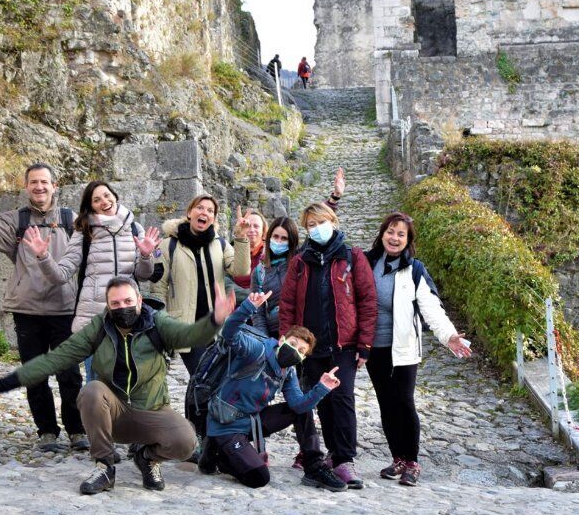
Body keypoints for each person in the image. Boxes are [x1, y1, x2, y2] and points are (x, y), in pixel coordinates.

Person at [0, 276, 236, 494]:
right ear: (107, 306)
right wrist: (1, 385)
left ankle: (147, 458)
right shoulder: (99, 328)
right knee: (91, 391)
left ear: (140, 300)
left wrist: (215, 320)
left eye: (128, 301)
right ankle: (104, 466)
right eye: (115, 303)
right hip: (112, 413)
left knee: (185, 442)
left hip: (151, 410)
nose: (122, 307)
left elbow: (187, 335)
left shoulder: (157, 324)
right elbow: (54, 360)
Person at [0, 163, 86, 454]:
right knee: (34, 373)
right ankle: (46, 431)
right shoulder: (15, 221)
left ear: (54, 186)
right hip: (28, 310)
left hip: (64, 309)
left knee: (69, 374)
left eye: (44, 182)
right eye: (33, 182)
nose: (39, 187)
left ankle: (77, 429)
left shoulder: (72, 220)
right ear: (26, 186)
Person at [197, 291, 347, 491]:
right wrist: (248, 307)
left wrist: (322, 388)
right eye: (293, 344)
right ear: (282, 339)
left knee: (302, 412)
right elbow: (230, 334)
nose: (295, 351)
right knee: (258, 477)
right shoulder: (257, 349)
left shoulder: (288, 372)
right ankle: (216, 454)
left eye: (301, 351)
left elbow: (298, 405)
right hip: (226, 423)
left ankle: (314, 466)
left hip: (252, 421)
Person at [365, 212, 472, 486]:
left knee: (404, 402)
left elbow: (430, 308)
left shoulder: (414, 270)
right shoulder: (367, 263)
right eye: (391, 231)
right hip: (373, 347)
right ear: (382, 233)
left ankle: (411, 461)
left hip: (403, 349)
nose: (394, 238)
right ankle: (397, 458)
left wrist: (449, 336)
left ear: (408, 240)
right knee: (386, 405)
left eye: (401, 234)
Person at [21, 181, 161, 383]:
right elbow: (60, 275)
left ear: (115, 195)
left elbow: (142, 274)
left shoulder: (134, 228)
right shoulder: (84, 231)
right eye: (97, 200)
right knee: (97, 382)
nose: (104, 201)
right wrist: (43, 256)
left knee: (131, 381)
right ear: (91, 206)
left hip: (129, 316)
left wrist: (147, 255)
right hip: (94, 319)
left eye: (106, 195)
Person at [279, 202, 377, 489]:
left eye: (320, 222)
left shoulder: (352, 257)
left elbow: (367, 301)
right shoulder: (300, 261)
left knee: (343, 399)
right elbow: (287, 304)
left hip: (343, 345)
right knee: (322, 401)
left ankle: (345, 458)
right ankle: (332, 455)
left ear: (333, 222)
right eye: (310, 225)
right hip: (310, 347)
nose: (316, 228)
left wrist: (365, 343)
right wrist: (288, 340)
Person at [146, 195, 251, 444]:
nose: (205, 213)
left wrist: (242, 238)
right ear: (190, 212)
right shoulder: (169, 244)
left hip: (215, 326)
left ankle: (198, 434)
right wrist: (158, 322)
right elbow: (158, 287)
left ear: (214, 218)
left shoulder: (220, 244)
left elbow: (241, 271)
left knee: (203, 381)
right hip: (184, 327)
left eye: (210, 210)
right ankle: (197, 435)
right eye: (200, 208)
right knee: (201, 378)